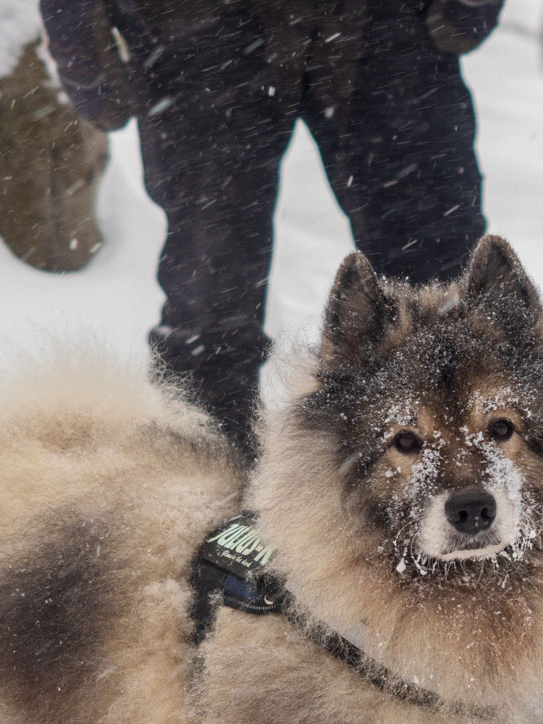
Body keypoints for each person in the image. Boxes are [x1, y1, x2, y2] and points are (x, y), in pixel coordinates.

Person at [41, 0, 504, 459]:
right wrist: (74, 29)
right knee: (211, 298)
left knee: (441, 291)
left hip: (380, 22)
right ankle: (203, 484)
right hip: (196, 26)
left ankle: (469, 468)